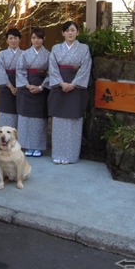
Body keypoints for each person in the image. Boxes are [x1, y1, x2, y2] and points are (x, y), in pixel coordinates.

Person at [47, 21, 93, 165]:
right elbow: (52, 68)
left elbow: (86, 67)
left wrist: (73, 84)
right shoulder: (56, 48)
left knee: (73, 122)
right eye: (67, 31)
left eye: (73, 30)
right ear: (63, 33)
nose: (70, 33)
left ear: (78, 32)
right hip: (59, 87)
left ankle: (71, 156)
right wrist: (61, 83)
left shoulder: (84, 48)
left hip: (76, 89)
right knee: (59, 122)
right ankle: (58, 153)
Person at [16, 27, 50, 157]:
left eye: (39, 38)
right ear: (31, 39)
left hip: (41, 90)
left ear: (43, 39)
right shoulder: (25, 54)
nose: (36, 40)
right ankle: (27, 145)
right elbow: (20, 71)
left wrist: (41, 87)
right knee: (26, 118)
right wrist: (27, 85)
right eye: (34, 38)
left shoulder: (48, 55)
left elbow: (51, 73)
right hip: (26, 89)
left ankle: (37, 146)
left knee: (39, 119)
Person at [0, 28, 23, 128]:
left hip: (21, 86)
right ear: (7, 40)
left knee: (19, 112)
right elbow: (0, 72)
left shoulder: (24, 54)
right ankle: (3, 140)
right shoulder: (2, 54)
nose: (13, 40)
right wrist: (11, 87)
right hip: (6, 87)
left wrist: (19, 86)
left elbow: (24, 71)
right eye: (10, 38)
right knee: (5, 113)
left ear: (20, 39)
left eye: (15, 38)